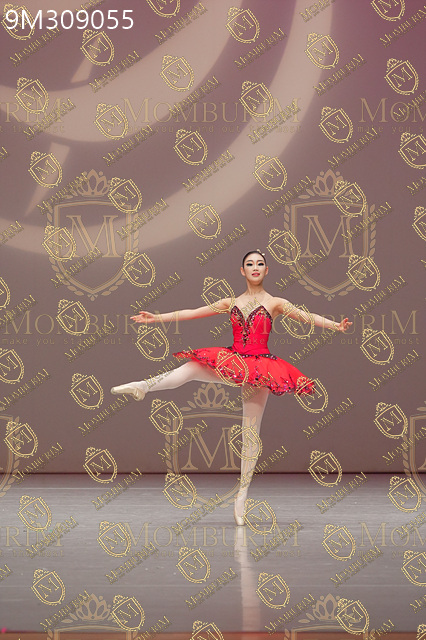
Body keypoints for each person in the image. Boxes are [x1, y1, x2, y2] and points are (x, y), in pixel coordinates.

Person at [111, 250, 352, 525]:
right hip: (232, 361)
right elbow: (193, 313)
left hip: (259, 369)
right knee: (189, 369)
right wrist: (157, 318)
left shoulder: (275, 302)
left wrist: (335, 326)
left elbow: (306, 316)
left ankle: (242, 496)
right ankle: (143, 386)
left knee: (250, 432)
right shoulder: (231, 302)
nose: (255, 267)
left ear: (266, 270)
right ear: (242, 270)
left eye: (260, 264)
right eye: (250, 264)